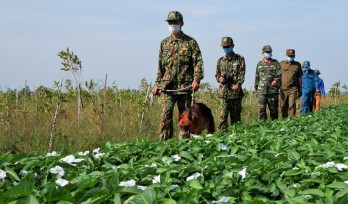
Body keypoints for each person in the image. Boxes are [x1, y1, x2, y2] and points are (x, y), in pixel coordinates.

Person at [152, 11, 204, 140]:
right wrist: (157, 84)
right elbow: (160, 67)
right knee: (166, 115)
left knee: (186, 119)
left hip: (185, 87)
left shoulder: (191, 42)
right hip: (167, 87)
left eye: (176, 22)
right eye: (171, 22)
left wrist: (196, 79)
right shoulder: (164, 43)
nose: (173, 25)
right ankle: (164, 146)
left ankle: (186, 147)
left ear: (182, 23)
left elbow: (198, 63)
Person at [215, 37, 246, 132]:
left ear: (232, 46)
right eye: (224, 47)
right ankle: (222, 137)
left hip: (235, 93)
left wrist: (238, 84)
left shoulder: (240, 59)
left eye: (228, 46)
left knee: (235, 118)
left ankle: (236, 137)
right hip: (223, 93)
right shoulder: (220, 60)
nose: (226, 48)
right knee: (222, 117)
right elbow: (217, 75)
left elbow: (242, 74)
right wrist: (219, 78)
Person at [254, 45, 281, 122]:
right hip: (261, 91)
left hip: (272, 91)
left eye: (269, 52)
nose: (268, 53)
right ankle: (262, 128)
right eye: (267, 52)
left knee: (274, 111)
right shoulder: (259, 64)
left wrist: (276, 80)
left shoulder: (276, 63)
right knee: (261, 110)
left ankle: (275, 128)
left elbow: (279, 74)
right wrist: (256, 90)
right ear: (263, 53)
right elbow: (257, 78)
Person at [279, 49, 302, 118]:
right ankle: (284, 121)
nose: (291, 57)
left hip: (293, 89)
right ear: (286, 56)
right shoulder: (281, 64)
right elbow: (277, 75)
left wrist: (300, 89)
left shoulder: (297, 65)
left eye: (292, 56)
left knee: (291, 106)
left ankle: (291, 122)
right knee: (283, 106)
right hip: (283, 89)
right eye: (289, 56)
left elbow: (299, 78)